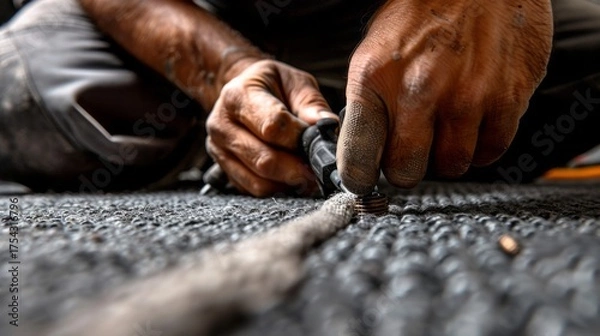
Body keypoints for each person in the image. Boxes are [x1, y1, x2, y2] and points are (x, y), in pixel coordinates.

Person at [0, 0, 599, 196]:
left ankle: (413, 108)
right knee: (28, 82)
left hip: (373, 14)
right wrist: (229, 69)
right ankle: (237, 120)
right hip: (197, 12)